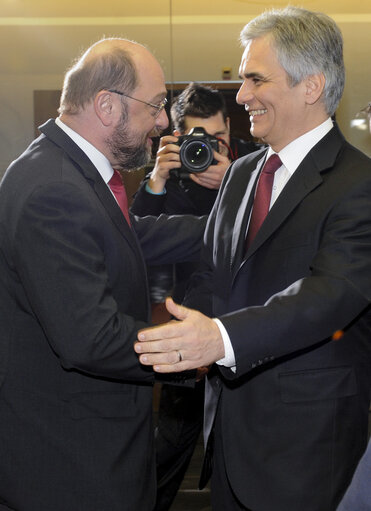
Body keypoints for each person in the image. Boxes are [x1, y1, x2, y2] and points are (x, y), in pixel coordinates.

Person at [135, 6, 371, 511]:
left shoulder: (359, 185)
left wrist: (217, 338)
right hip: (229, 441)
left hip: (306, 451)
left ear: (312, 85)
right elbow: (211, 269)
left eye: (255, 79)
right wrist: (185, 341)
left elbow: (327, 298)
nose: (240, 96)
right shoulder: (242, 173)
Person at [0, 38, 206, 511]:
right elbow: (90, 338)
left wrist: (228, 228)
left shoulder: (65, 169)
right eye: (156, 106)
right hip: (71, 468)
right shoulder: (54, 189)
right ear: (107, 105)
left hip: (84, 450)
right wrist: (192, 349)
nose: (162, 123)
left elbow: (129, 236)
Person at [131, 82, 262, 511]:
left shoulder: (256, 164)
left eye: (216, 137)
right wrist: (157, 178)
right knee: (168, 451)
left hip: (247, 329)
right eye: (195, 140)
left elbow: (275, 229)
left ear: (229, 127)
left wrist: (237, 180)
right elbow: (136, 238)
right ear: (179, 137)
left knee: (245, 451)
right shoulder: (172, 174)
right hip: (188, 322)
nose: (205, 148)